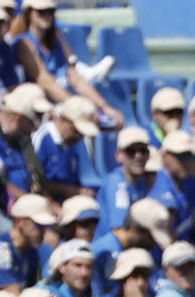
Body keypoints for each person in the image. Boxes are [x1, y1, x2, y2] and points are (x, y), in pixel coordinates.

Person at [13, 0, 124, 128]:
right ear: (30, 14)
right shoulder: (24, 44)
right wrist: (79, 108)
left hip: (63, 103)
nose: (47, 15)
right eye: (41, 12)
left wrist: (105, 107)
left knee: (106, 122)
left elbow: (75, 79)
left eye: (51, 11)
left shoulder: (56, 41)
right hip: (43, 111)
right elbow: (46, 81)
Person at [33, 95, 99, 201]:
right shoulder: (43, 139)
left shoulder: (72, 144)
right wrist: (70, 191)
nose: (80, 137)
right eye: (77, 131)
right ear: (64, 120)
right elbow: (34, 183)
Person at [94, 127, 154, 237]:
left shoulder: (142, 182)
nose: (138, 156)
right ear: (118, 156)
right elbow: (120, 230)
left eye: (143, 150)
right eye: (131, 151)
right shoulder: (116, 183)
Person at [0, 84, 50, 208]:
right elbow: (3, 180)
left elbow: (37, 177)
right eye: (33, 118)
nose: (34, 129)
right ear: (18, 118)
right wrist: (27, 199)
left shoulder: (20, 138)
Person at [1, 194, 55, 292]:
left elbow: (30, 290)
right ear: (19, 221)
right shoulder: (2, 249)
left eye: (45, 226)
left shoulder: (31, 251)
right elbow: (12, 293)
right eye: (38, 225)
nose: (43, 232)